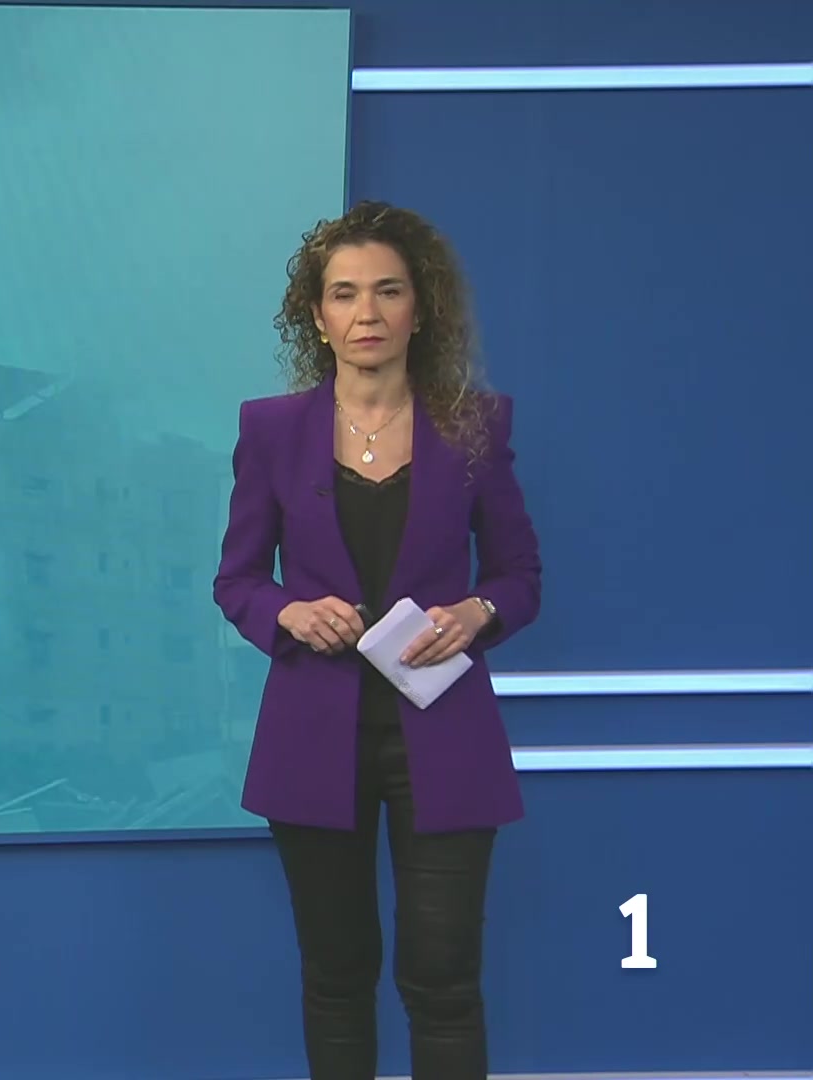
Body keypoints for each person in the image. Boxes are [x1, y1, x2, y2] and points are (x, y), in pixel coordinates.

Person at [212, 201, 543, 1079]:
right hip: (313, 735)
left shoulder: (474, 425)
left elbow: (518, 576)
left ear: (420, 310)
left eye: (388, 291)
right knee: (337, 978)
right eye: (345, 294)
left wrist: (476, 615)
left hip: (445, 733)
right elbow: (237, 580)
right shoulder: (271, 431)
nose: (367, 313)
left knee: (444, 982)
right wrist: (285, 614)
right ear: (316, 316)